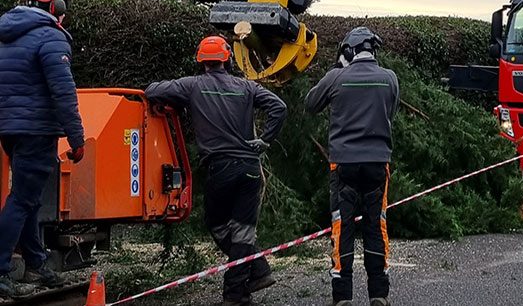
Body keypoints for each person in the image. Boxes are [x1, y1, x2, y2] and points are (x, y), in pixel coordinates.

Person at [145, 35, 287, 306]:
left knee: (217, 224)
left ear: (201, 61)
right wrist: (266, 139)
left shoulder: (193, 86)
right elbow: (278, 107)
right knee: (243, 231)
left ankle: (241, 289)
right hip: (249, 168)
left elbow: (152, 91)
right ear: (227, 60)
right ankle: (253, 277)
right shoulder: (247, 87)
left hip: (220, 168)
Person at [0, 0, 85, 298]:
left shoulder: (7, 33)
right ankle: (1, 268)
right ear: (55, 2)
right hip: (37, 128)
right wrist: (76, 138)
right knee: (22, 199)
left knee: (30, 198)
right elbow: (63, 92)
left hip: (10, 128)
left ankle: (36, 263)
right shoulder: (51, 37)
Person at [305, 27, 399, 306]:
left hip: (343, 164)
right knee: (376, 225)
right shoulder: (389, 78)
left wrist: (335, 72)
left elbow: (311, 104)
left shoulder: (336, 77)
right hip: (377, 163)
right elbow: (389, 114)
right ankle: (379, 294)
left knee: (341, 226)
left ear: (348, 51)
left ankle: (342, 296)